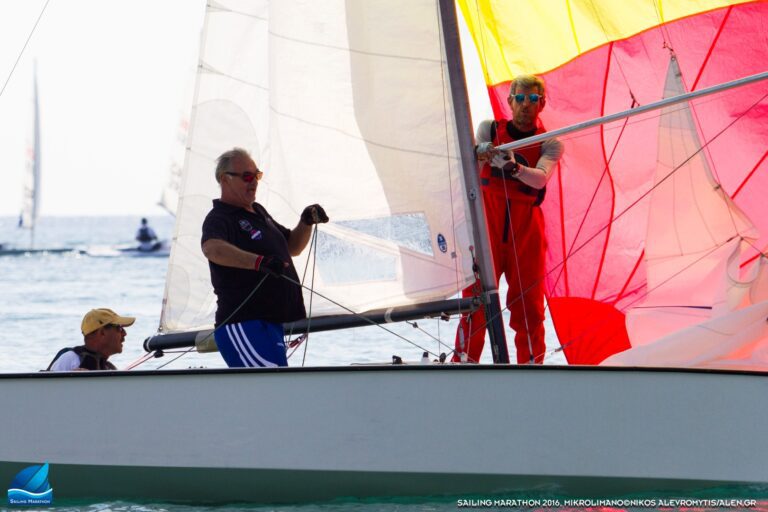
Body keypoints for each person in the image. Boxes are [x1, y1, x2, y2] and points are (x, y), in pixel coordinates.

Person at [454, 74, 563, 365]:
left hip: (525, 228)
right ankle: (464, 363)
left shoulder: (549, 143)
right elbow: (471, 155)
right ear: (510, 101)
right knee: (475, 298)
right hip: (488, 222)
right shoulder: (489, 129)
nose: (525, 105)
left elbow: (540, 179)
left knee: (528, 305)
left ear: (541, 104)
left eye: (532, 99)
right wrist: (481, 152)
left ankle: (530, 366)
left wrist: (513, 168)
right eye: (520, 98)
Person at [201, 148, 329, 368]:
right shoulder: (219, 217)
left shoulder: (258, 211)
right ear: (225, 179)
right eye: (247, 177)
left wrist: (306, 221)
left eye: (257, 175)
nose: (254, 182)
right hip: (243, 324)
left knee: (275, 392)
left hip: (268, 323)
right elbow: (213, 249)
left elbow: (292, 246)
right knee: (273, 389)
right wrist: (259, 262)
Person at [47, 308, 135, 371]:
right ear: (102, 333)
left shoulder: (110, 369)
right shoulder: (69, 359)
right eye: (119, 328)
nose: (124, 333)